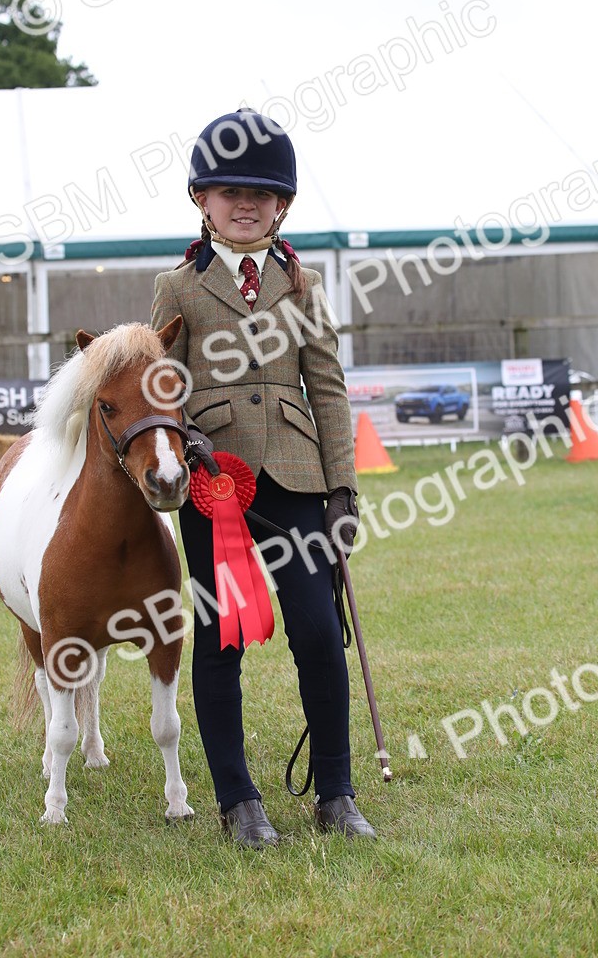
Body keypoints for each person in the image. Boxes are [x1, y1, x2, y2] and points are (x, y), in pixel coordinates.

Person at [151, 110, 376, 848]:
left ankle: (337, 794)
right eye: (226, 191)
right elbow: (164, 386)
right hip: (214, 481)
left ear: (282, 205)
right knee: (220, 638)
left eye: (260, 192)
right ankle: (237, 799)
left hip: (295, 477)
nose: (243, 203)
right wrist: (186, 443)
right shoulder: (176, 287)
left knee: (317, 627)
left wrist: (341, 487)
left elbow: (329, 388)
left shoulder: (303, 286)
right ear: (200, 199)